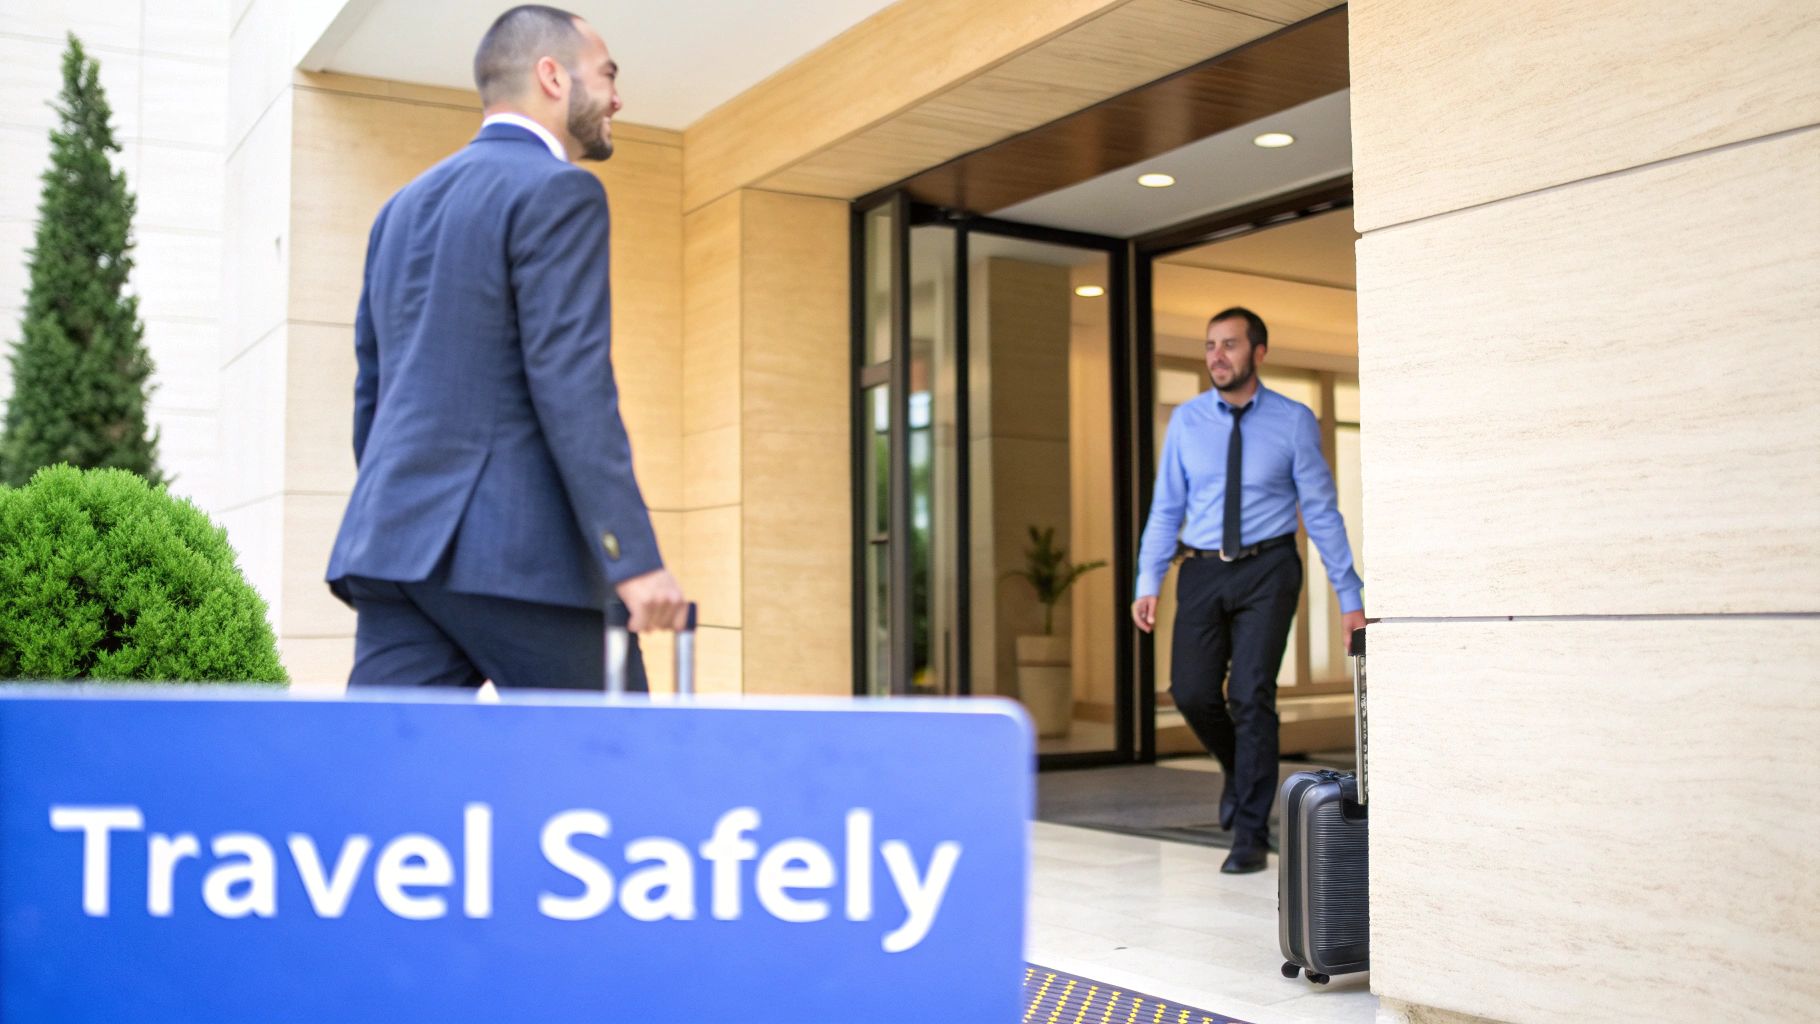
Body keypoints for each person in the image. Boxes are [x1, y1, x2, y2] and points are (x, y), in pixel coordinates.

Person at [325, 5, 686, 691]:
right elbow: (572, 382)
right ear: (553, 76)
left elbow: (372, 395)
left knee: (381, 782)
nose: (617, 97)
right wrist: (630, 558)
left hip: (394, 553)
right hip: (522, 563)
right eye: (607, 75)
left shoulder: (399, 209)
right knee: (617, 773)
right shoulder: (561, 190)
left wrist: (401, 514)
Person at [1131, 307, 1364, 874]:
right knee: (1190, 690)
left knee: (1252, 693)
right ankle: (1241, 768)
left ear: (1258, 352)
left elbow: (1321, 510)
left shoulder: (1293, 420)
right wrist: (1149, 578)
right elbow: (1166, 508)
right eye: (1211, 345)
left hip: (1269, 567)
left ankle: (1251, 835)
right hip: (1204, 569)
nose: (1216, 355)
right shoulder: (1187, 422)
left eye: (1229, 344)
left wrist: (1349, 596)